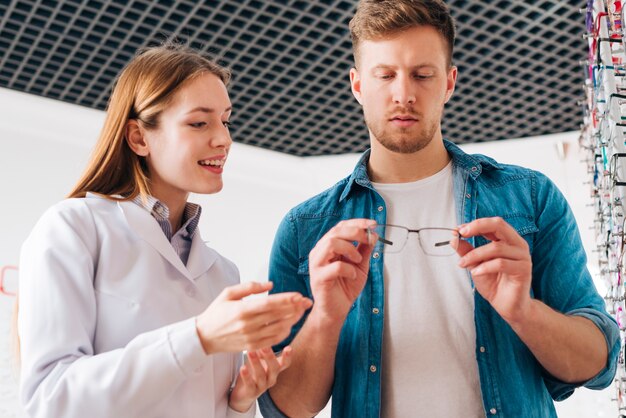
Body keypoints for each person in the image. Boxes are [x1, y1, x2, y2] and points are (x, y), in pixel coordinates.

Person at [258, 1, 621, 417]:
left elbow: (599, 364)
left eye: (422, 74)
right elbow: (284, 407)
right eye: (386, 75)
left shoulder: (531, 198)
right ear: (358, 86)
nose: (404, 94)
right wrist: (325, 317)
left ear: (449, 83)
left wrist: (524, 312)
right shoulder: (306, 230)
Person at [17, 44, 312, 418]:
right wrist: (198, 337)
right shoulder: (74, 229)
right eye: (199, 122)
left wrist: (239, 403)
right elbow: (51, 401)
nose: (224, 139)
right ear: (139, 137)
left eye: (226, 120)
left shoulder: (223, 273)